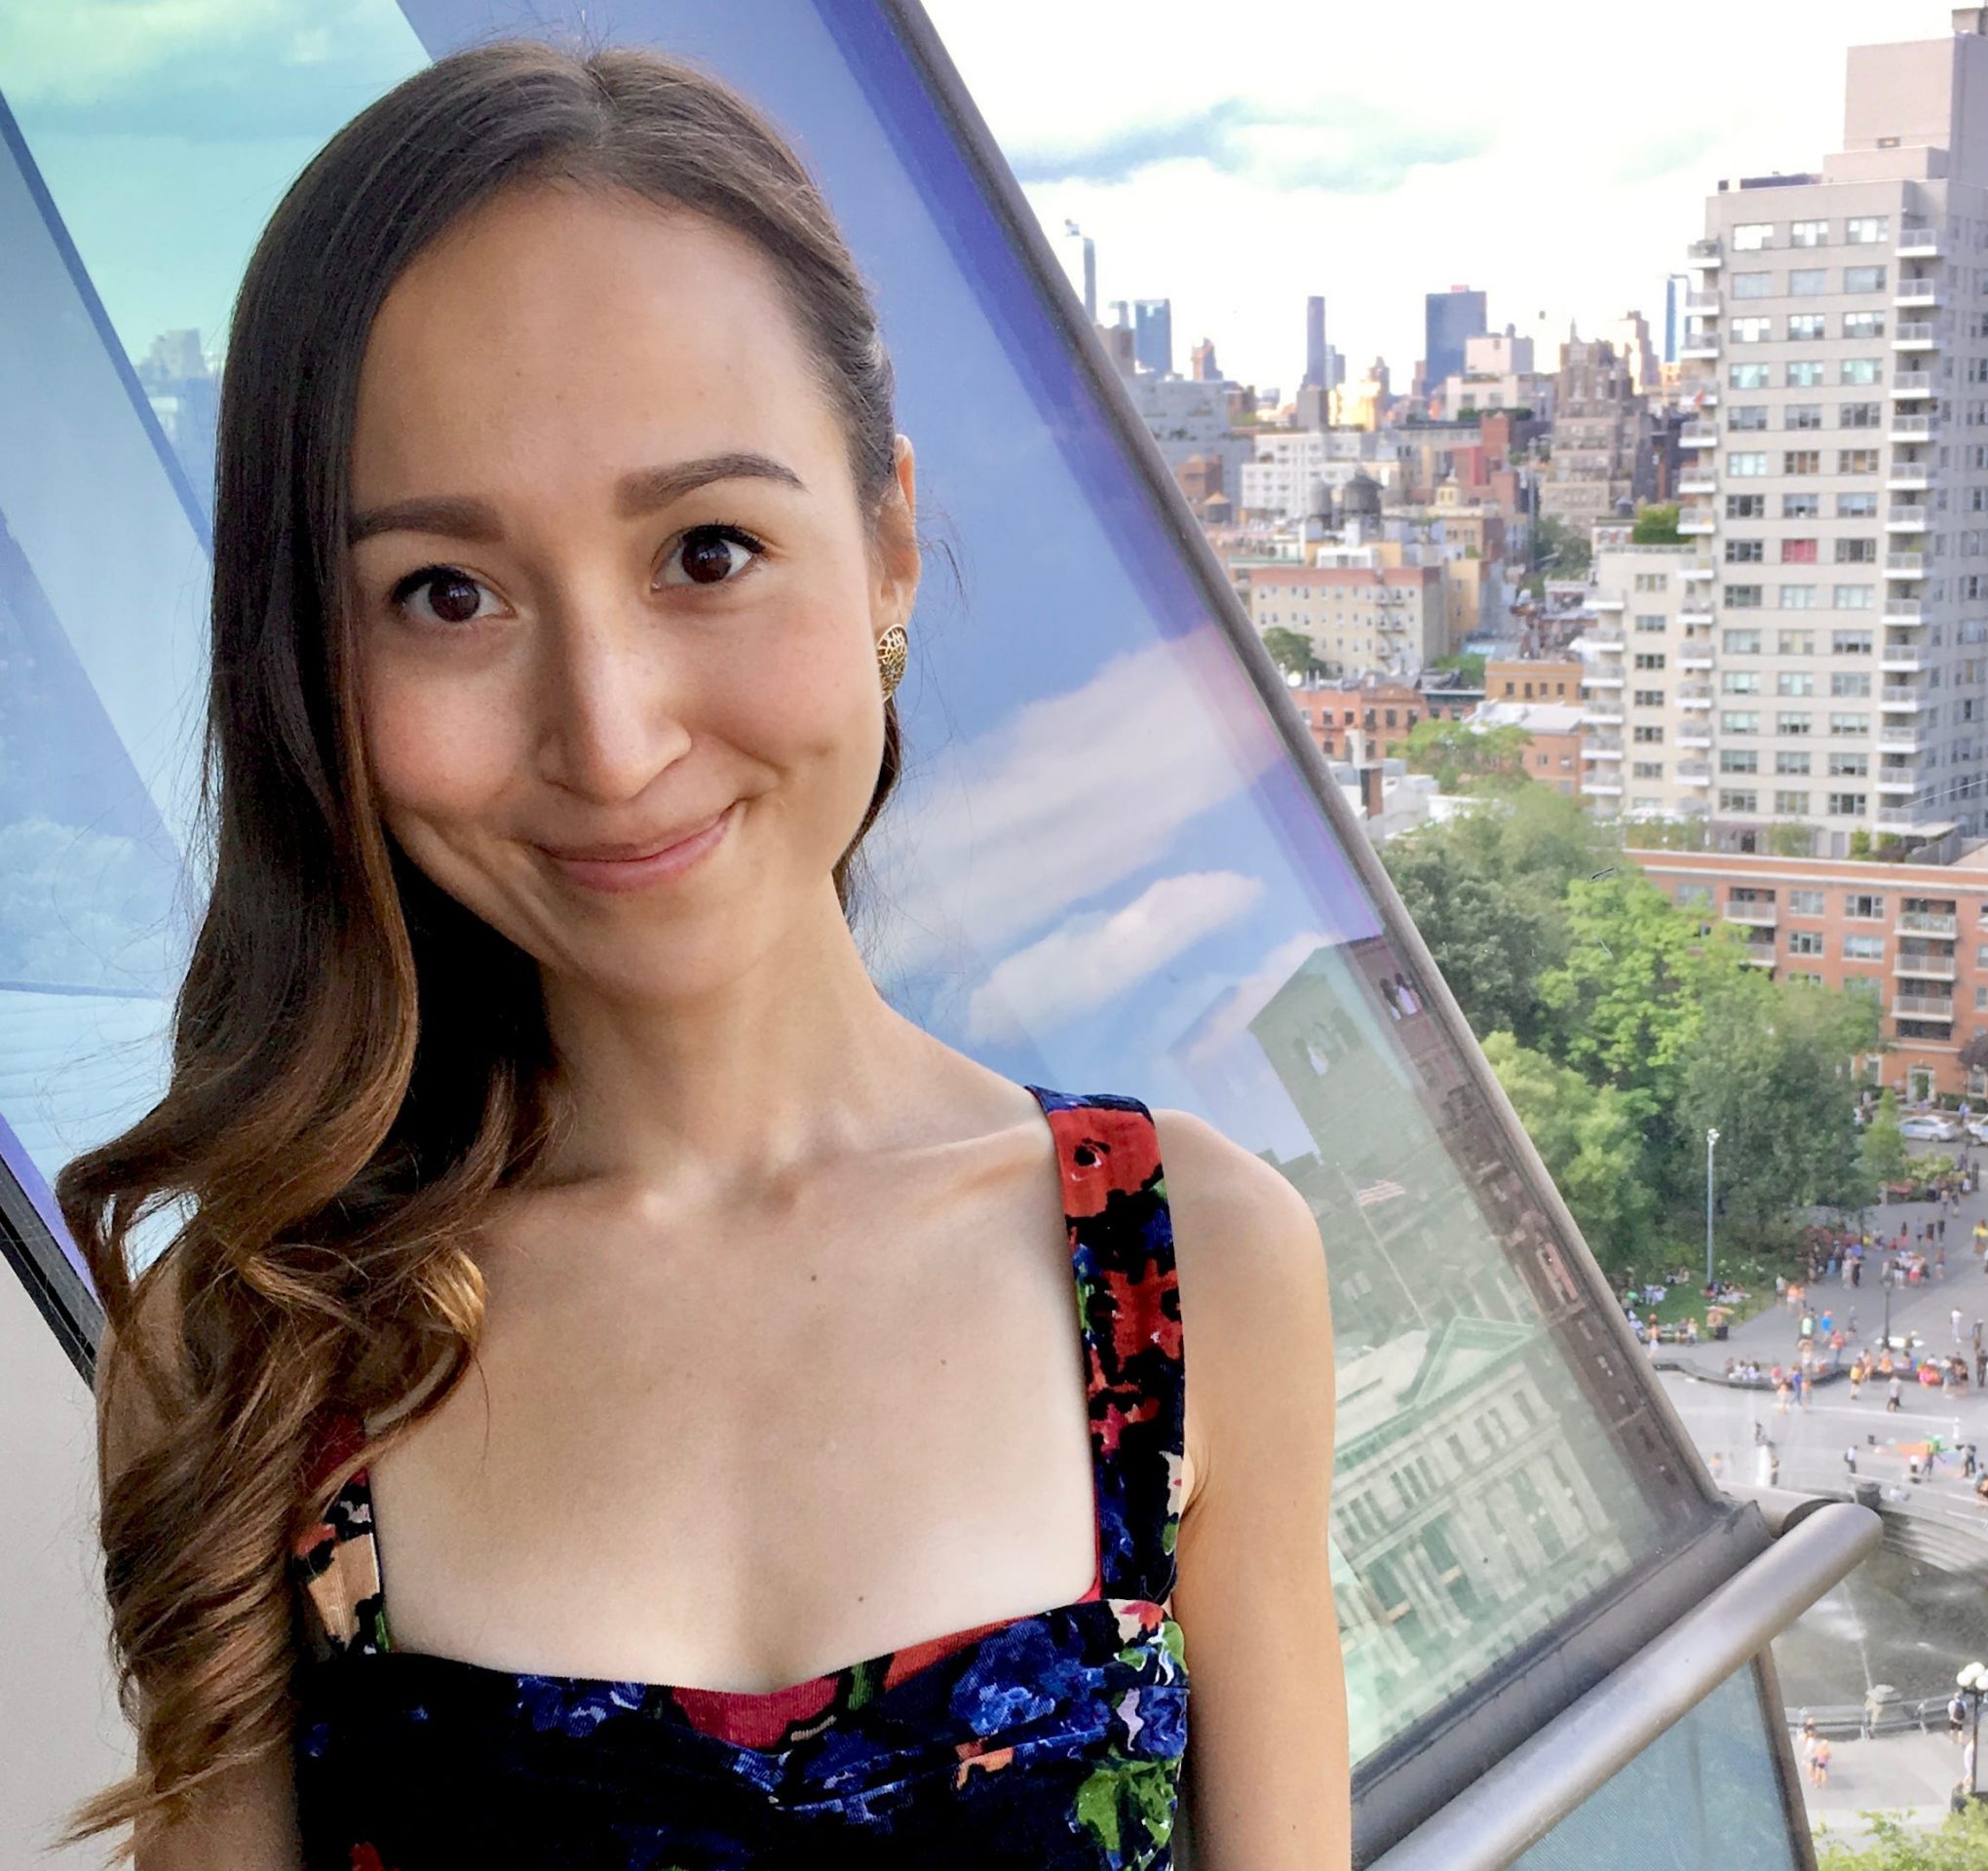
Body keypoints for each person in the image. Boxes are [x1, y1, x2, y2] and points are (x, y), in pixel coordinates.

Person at [58, 42, 1350, 1868]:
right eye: (448, 593)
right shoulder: (254, 1354)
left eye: (709, 550)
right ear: (319, 662)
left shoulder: (1188, 1268)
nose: (609, 732)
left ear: (889, 545)